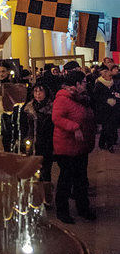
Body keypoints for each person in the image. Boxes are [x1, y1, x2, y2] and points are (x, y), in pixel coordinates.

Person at [52, 70, 96, 224]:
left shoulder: (80, 98)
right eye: (83, 82)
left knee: (81, 179)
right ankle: (62, 211)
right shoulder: (63, 99)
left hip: (81, 146)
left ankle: (83, 208)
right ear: (76, 84)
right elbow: (57, 118)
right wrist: (75, 127)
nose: (86, 84)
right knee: (66, 179)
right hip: (66, 146)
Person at [23, 83, 54, 205]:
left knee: (46, 171)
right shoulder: (29, 108)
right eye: (35, 92)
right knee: (35, 172)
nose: (38, 94)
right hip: (33, 144)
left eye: (40, 91)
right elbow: (25, 127)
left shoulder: (51, 108)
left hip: (47, 143)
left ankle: (47, 197)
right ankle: (36, 197)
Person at [93, 65, 119, 152]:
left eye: (111, 76)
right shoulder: (99, 84)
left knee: (108, 128)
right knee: (107, 128)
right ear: (104, 77)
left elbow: (115, 93)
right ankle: (109, 145)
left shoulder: (112, 84)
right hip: (103, 110)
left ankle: (102, 143)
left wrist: (115, 98)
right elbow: (96, 97)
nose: (110, 78)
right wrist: (106, 100)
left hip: (112, 110)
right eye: (109, 76)